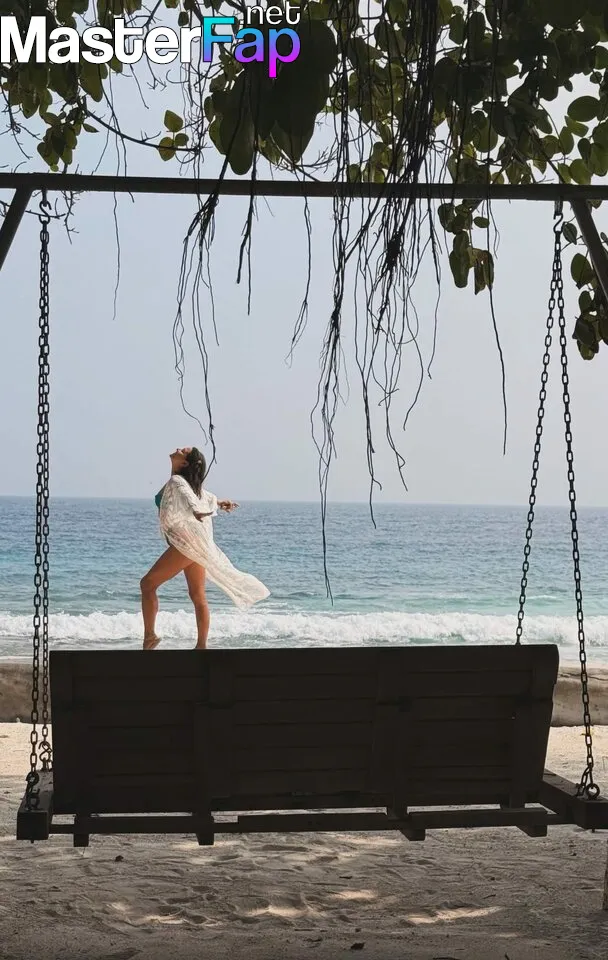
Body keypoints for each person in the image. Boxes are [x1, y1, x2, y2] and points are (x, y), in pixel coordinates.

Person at [140, 446, 269, 650]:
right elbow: (203, 497)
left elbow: (190, 500)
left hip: (186, 544)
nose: (178, 449)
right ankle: (201, 646)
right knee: (198, 595)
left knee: (147, 584)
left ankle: (150, 637)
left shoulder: (177, 481)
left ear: (185, 463)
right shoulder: (188, 486)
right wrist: (219, 503)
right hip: (196, 544)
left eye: (183, 450)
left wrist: (197, 512)